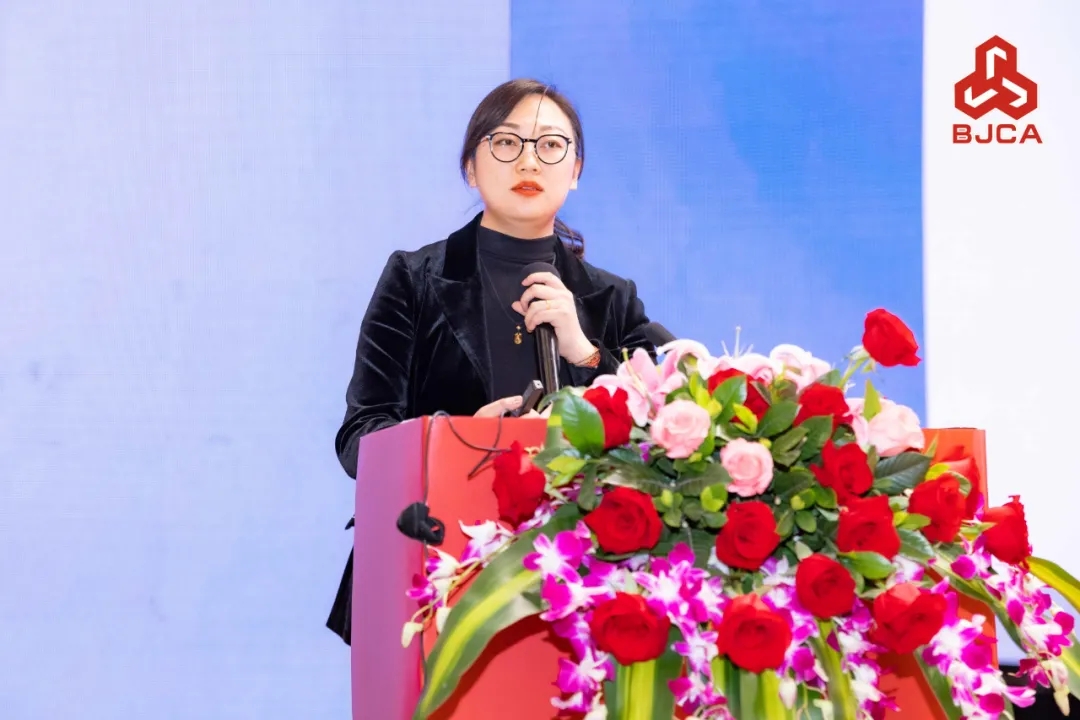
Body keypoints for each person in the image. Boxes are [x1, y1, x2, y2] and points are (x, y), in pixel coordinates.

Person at [326, 78, 655, 643]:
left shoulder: (611, 298)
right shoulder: (414, 279)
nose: (529, 160)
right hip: (431, 572)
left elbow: (669, 418)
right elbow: (361, 437)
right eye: (506, 142)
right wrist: (457, 441)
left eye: (551, 145)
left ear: (576, 171)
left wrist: (587, 353)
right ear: (471, 168)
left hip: (582, 585)